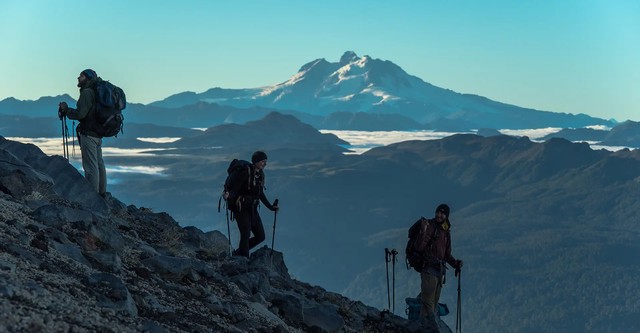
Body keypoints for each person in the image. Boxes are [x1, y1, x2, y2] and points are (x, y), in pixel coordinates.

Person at [58, 69, 107, 197]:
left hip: (89, 134)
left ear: (87, 78)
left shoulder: (87, 92)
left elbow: (81, 114)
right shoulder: (97, 92)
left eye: (81, 76)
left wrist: (67, 110)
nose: (78, 78)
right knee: (99, 163)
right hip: (98, 133)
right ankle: (102, 193)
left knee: (91, 166)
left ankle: (93, 197)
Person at [414, 204, 463, 332]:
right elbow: (419, 247)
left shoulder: (446, 231)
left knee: (434, 304)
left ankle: (426, 327)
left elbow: (446, 254)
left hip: (439, 271)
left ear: (446, 216)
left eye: (442, 213)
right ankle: (424, 328)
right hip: (429, 268)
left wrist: (455, 264)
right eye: (438, 212)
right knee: (428, 303)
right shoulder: (429, 226)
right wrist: (423, 230)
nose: (439, 215)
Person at [224, 151, 279, 258]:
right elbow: (235, 189)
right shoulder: (245, 172)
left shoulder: (260, 174)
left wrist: (271, 207)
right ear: (256, 161)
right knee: (245, 235)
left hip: (252, 208)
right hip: (240, 208)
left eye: (265, 161)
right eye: (263, 161)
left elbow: (260, 193)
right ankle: (244, 260)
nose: (265, 164)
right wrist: (228, 195)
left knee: (260, 236)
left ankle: (239, 253)